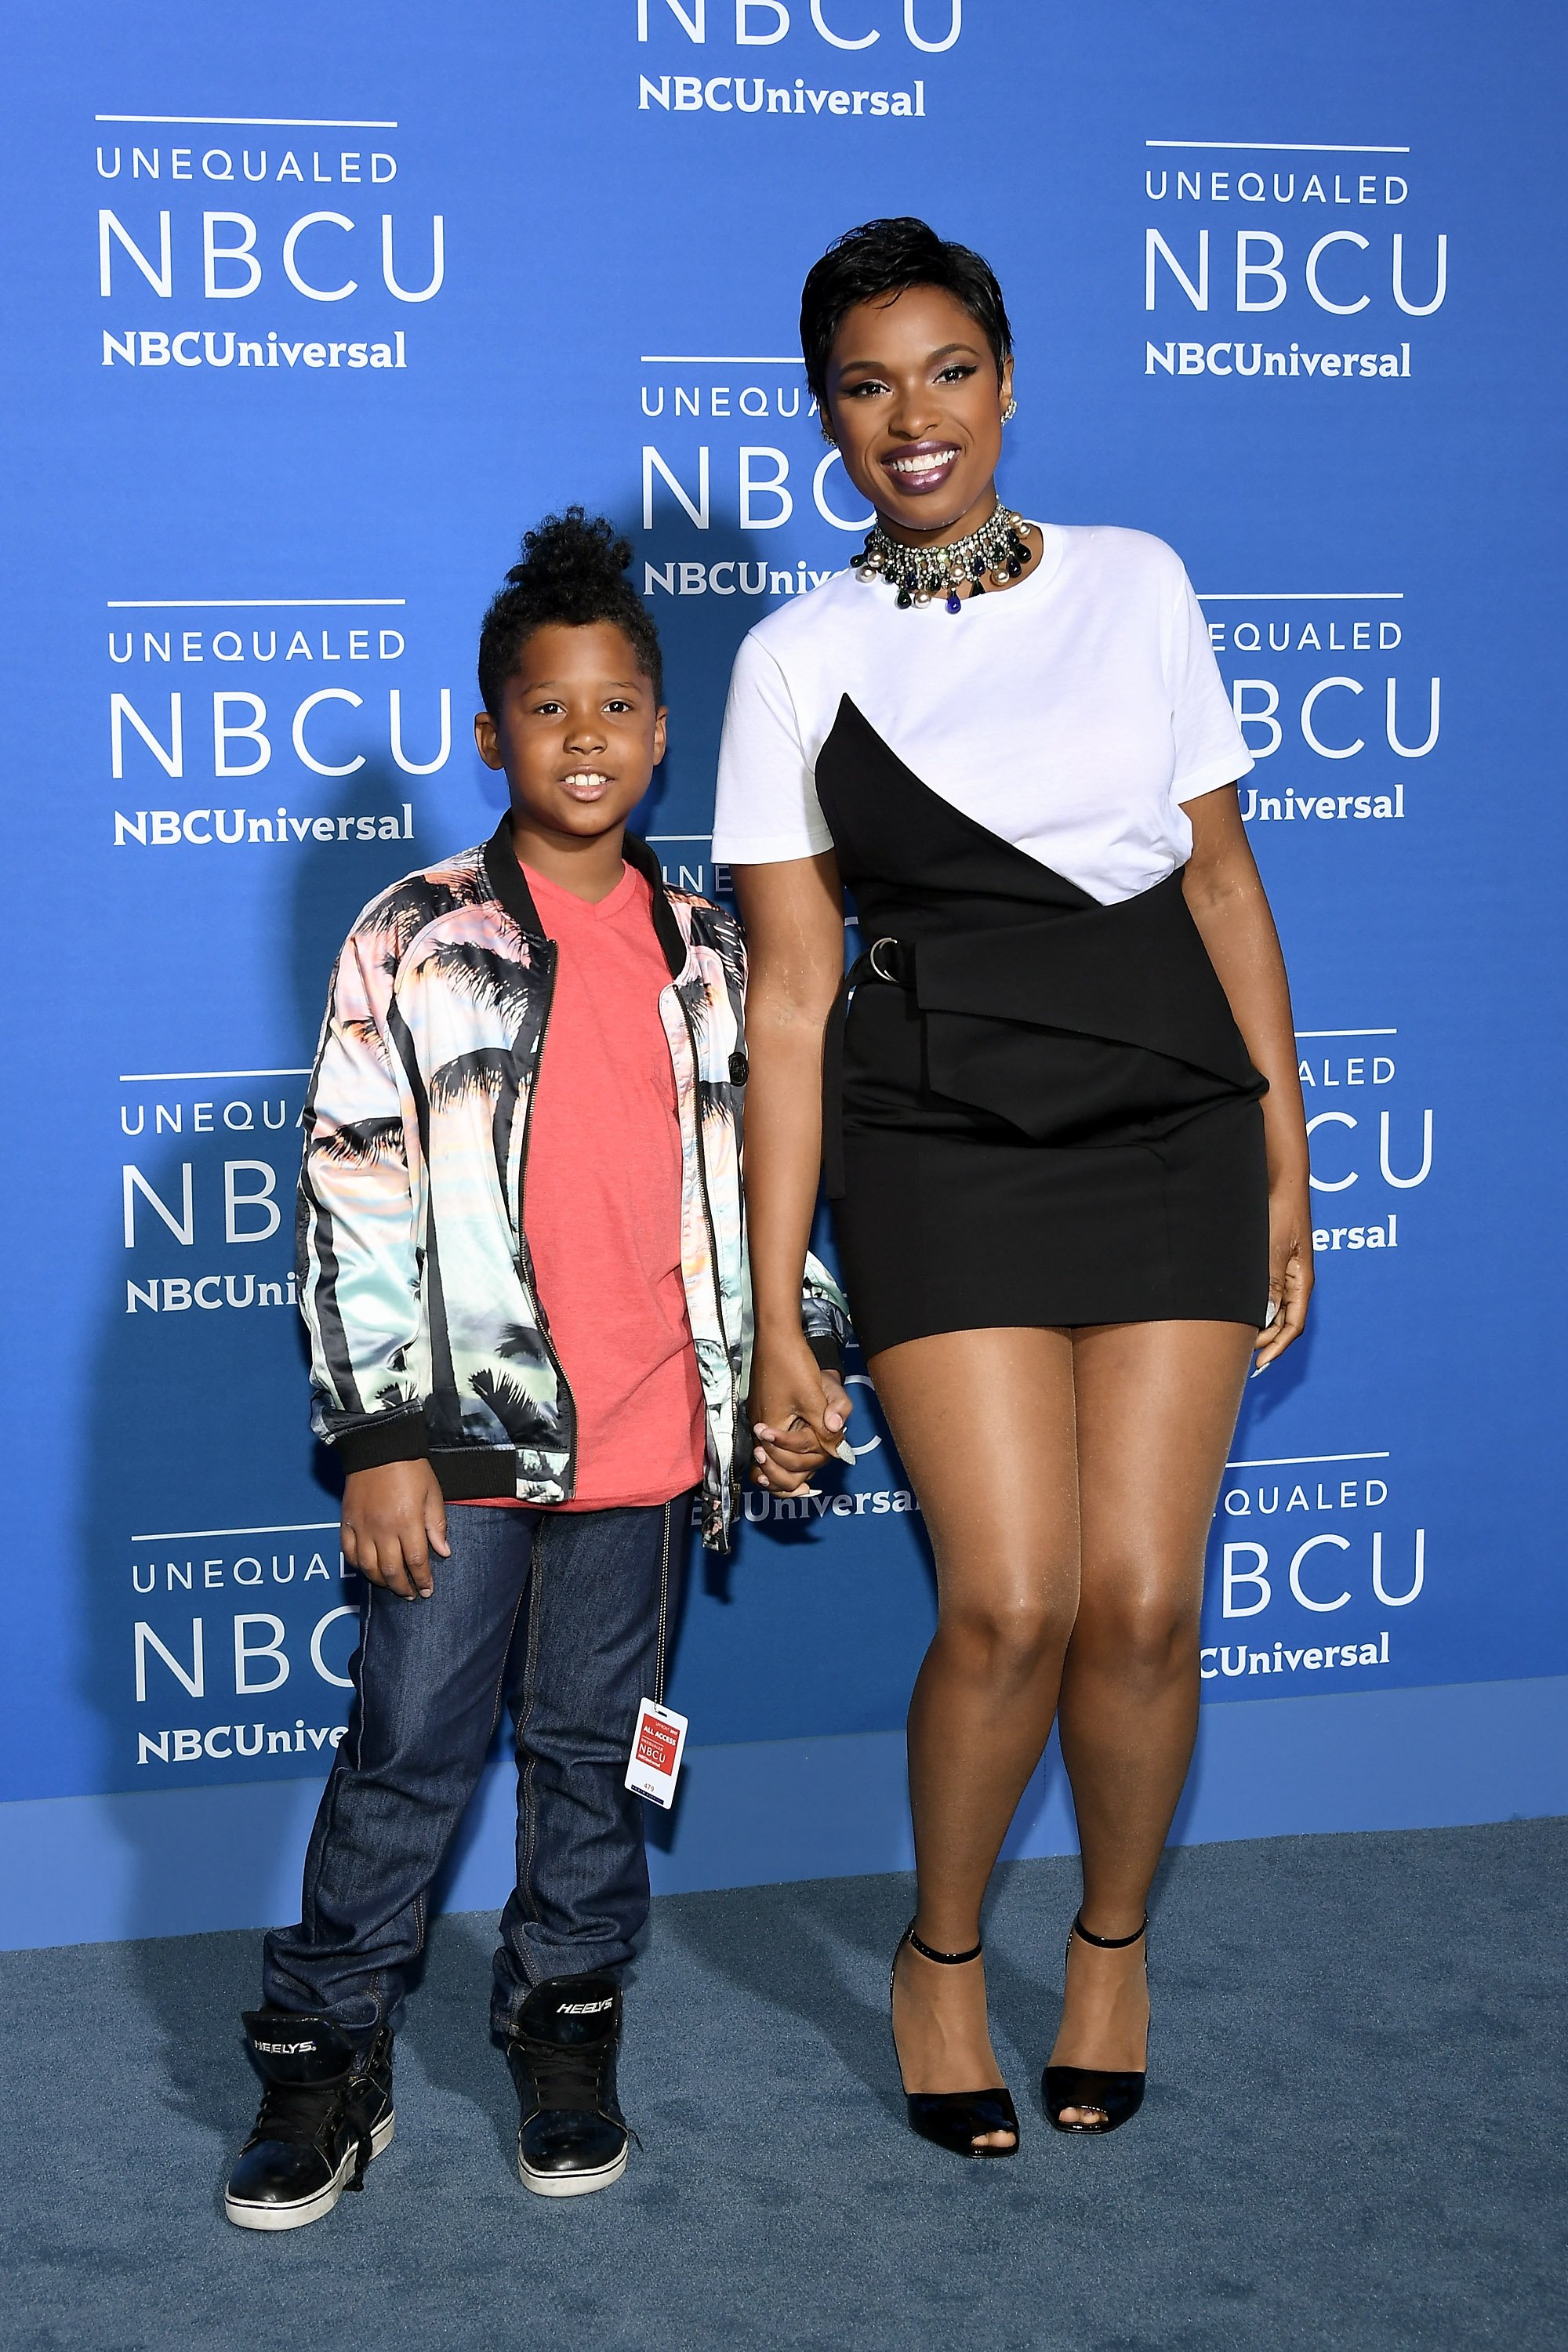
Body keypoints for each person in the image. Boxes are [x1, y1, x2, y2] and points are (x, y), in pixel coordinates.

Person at [715, 219, 1312, 2159]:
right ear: (822, 415)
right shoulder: (793, 659)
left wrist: (1286, 1162)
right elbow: (793, 998)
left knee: (1140, 1603)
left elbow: (1221, 886)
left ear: (1006, 381)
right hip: (936, 1142)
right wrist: (776, 1298)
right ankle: (944, 1957)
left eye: (948, 370)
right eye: (869, 383)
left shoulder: (1139, 585)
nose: (914, 417)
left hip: (1169, 1125)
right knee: (1010, 1597)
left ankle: (1114, 1947)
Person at [224, 510, 849, 2230]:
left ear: (663, 731)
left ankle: (567, 2030)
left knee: (596, 1756)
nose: (589, 739)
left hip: (651, 1449)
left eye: (622, 707)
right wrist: (379, 1437)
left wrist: (787, 1368)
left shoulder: (715, 948)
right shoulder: (414, 937)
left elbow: (763, 1180)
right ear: (491, 730)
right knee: (410, 1745)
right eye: (551, 710)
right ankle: (326, 2058)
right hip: (466, 1448)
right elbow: (354, 1196)